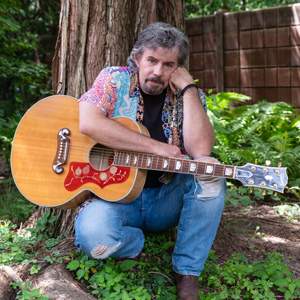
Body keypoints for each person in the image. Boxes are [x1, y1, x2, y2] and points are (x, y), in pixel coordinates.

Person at [74, 22, 226, 300]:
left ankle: (187, 271)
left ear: (178, 69)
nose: (158, 72)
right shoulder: (114, 80)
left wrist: (189, 89)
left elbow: (201, 149)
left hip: (165, 199)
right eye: (152, 61)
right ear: (137, 59)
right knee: (94, 239)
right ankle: (134, 243)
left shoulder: (187, 96)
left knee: (210, 173)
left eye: (168, 65)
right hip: (114, 200)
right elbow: (88, 122)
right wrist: (155, 148)